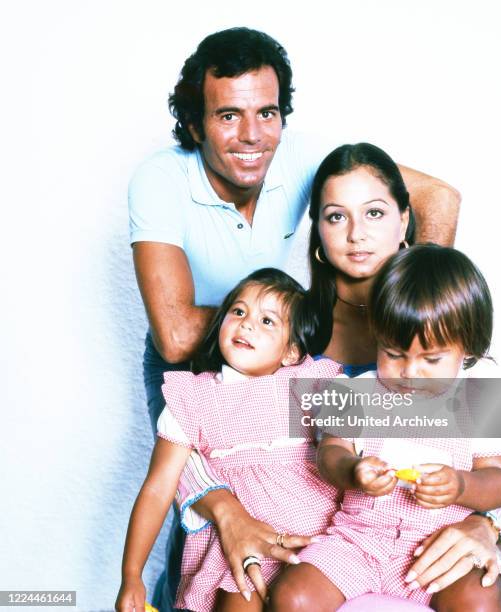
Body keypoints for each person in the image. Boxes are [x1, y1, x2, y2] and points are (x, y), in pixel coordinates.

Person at [128, 27, 461, 609]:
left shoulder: (431, 341)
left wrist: (416, 298)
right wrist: (224, 508)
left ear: (404, 221)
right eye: (334, 216)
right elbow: (210, 435)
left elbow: (499, 443)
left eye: (376, 213)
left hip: (376, 547)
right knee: (207, 553)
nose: (358, 233)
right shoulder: (299, 351)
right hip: (224, 398)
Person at [271, 244, 501, 611]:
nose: (410, 373)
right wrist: (353, 470)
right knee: (293, 596)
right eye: (394, 353)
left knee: (479, 599)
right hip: (359, 542)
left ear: (468, 347)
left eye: (431, 359)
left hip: (440, 548)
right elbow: (329, 453)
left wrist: (462, 484)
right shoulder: (353, 391)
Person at [115, 268, 343, 612]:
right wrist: (131, 575)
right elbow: (158, 488)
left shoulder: (307, 383)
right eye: (238, 312)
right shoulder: (193, 397)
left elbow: (393, 419)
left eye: (268, 321)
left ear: (291, 352)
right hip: (240, 551)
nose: (247, 324)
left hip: (317, 542)